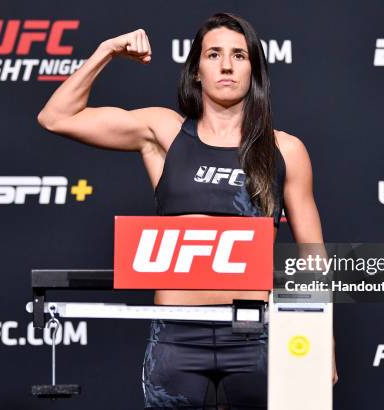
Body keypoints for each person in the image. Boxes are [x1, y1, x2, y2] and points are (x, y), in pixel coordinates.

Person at [37, 12, 336, 409]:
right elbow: (55, 117)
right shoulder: (165, 134)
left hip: (255, 336)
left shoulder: (286, 150)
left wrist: (322, 335)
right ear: (197, 70)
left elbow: (311, 257)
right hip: (176, 336)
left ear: (254, 70)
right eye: (213, 54)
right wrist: (105, 51)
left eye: (239, 56)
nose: (226, 65)